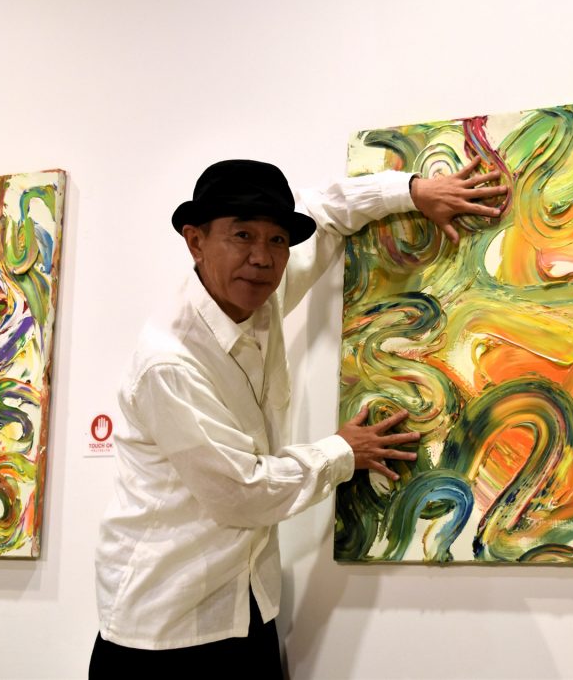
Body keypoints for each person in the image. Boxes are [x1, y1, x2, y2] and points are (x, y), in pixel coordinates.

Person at [89, 157, 505, 677]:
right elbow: (240, 494)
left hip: (248, 607)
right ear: (195, 241)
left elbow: (324, 212)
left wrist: (413, 191)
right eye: (242, 235)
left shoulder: (261, 294)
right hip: (167, 628)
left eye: (277, 240)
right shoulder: (170, 364)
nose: (262, 258)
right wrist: (342, 452)